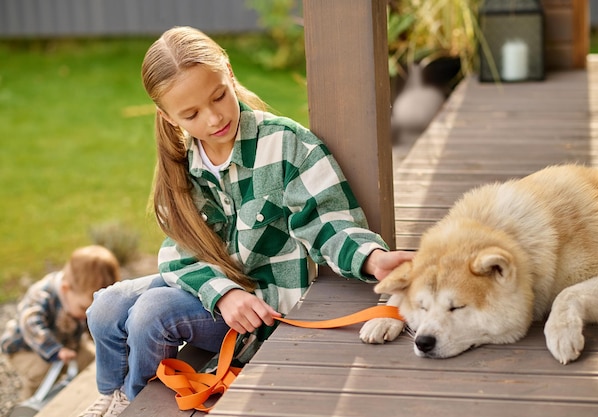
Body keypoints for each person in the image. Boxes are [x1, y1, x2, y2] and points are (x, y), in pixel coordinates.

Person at [78, 26, 414, 417]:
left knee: (151, 314)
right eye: (191, 114)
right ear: (168, 117)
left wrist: (371, 258)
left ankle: (136, 404)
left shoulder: (287, 145)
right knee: (105, 305)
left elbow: (328, 222)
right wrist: (221, 292)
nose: (215, 116)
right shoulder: (181, 164)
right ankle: (112, 394)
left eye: (219, 95)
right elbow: (178, 253)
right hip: (218, 286)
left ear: (229, 72)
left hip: (262, 305)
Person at [1, 245, 120, 401]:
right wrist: (55, 350)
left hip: (66, 344)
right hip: (26, 348)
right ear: (65, 288)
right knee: (43, 372)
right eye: (83, 308)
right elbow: (30, 324)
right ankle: (33, 405)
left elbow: (93, 327)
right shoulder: (42, 294)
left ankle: (80, 397)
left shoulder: (78, 298)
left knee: (92, 360)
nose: (86, 314)